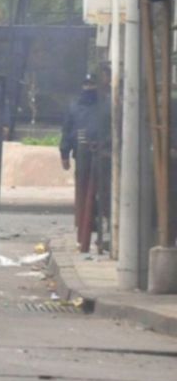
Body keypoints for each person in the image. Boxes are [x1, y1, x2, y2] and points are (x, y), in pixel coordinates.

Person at [60, 71, 112, 254]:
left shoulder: (107, 104)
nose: (89, 88)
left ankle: (104, 230)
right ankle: (84, 230)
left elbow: (114, 128)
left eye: (92, 85)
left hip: (104, 155)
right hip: (82, 155)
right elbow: (67, 130)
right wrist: (64, 153)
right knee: (83, 193)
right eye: (86, 85)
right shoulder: (74, 106)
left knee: (104, 192)